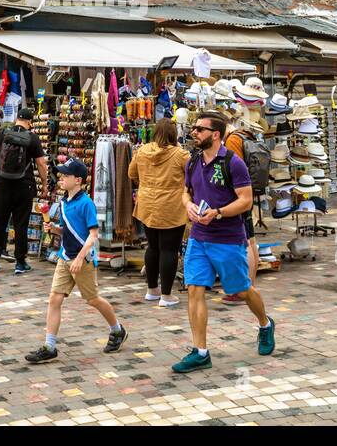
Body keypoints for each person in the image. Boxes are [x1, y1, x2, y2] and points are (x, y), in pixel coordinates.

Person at [172, 111, 274, 373]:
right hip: (199, 238)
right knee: (194, 289)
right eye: (194, 129)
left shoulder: (233, 162)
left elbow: (245, 200)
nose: (194, 133)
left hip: (228, 239)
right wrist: (190, 206)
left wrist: (217, 213)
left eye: (199, 129)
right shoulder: (193, 161)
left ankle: (264, 324)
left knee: (242, 290)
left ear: (215, 134)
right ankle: (200, 351)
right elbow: (186, 192)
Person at [23, 158, 127, 363]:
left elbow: (93, 235)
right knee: (55, 299)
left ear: (78, 180)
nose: (61, 178)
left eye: (65, 175)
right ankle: (49, 345)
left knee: (92, 299)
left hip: (83, 259)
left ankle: (117, 329)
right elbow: (67, 231)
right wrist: (53, 229)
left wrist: (80, 258)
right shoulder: (63, 203)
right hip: (65, 257)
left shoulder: (86, 203)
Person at [129, 118, 190, 307]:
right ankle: (166, 295)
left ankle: (152, 289)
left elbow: (131, 174)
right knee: (169, 249)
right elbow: (192, 176)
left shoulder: (142, 151)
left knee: (153, 247)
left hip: (147, 205)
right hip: (171, 206)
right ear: (174, 135)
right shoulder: (180, 154)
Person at [0, 107, 49, 275]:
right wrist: (45, 184)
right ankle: (20, 262)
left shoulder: (2, 134)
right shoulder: (33, 138)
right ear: (29, 122)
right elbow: (41, 164)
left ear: (16, 119)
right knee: (21, 224)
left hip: (1, 184)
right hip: (24, 186)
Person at [223, 114, 265, 300]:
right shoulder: (245, 135)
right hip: (249, 193)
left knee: (246, 242)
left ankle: (243, 290)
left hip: (240, 196)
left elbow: (235, 170)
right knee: (251, 241)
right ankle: (249, 286)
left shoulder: (232, 140)